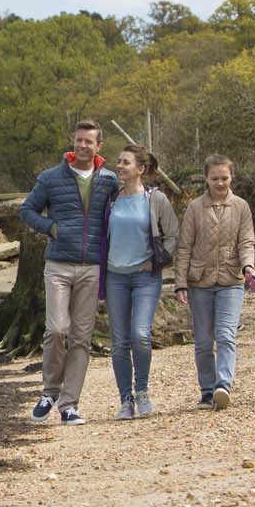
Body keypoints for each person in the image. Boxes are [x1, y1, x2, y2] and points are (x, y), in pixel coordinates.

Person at [18, 120, 119, 425]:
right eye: (79, 140)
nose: (82, 146)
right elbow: (27, 211)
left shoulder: (110, 181)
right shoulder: (50, 178)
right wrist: (52, 228)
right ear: (73, 143)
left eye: (89, 141)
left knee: (81, 338)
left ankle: (69, 405)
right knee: (57, 329)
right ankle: (49, 392)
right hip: (59, 265)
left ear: (99, 146)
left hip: (92, 268)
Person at [172, 154, 255, 410]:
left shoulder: (241, 206)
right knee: (204, 340)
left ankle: (223, 386)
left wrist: (248, 266)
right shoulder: (195, 208)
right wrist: (180, 283)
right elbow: (184, 247)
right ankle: (207, 391)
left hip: (232, 279)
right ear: (206, 179)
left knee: (226, 335)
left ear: (231, 178)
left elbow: (246, 242)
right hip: (199, 281)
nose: (220, 183)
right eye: (214, 178)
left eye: (224, 178)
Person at [102, 143, 179, 420]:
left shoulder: (155, 199)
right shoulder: (110, 198)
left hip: (146, 277)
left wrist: (158, 261)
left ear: (141, 169)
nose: (119, 166)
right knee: (120, 341)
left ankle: (142, 391)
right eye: (118, 162)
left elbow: (172, 235)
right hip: (115, 277)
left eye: (125, 163)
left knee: (140, 335)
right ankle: (125, 400)